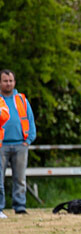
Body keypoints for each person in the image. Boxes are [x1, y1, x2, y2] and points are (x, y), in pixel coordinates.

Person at [0, 69, 36, 216]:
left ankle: (20, 206)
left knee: (20, 178)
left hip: (20, 144)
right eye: (5, 81)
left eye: (10, 81)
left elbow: (30, 119)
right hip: (1, 144)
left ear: (14, 82)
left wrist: (28, 140)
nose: (8, 84)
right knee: (0, 179)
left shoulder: (21, 100)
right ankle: (0, 207)